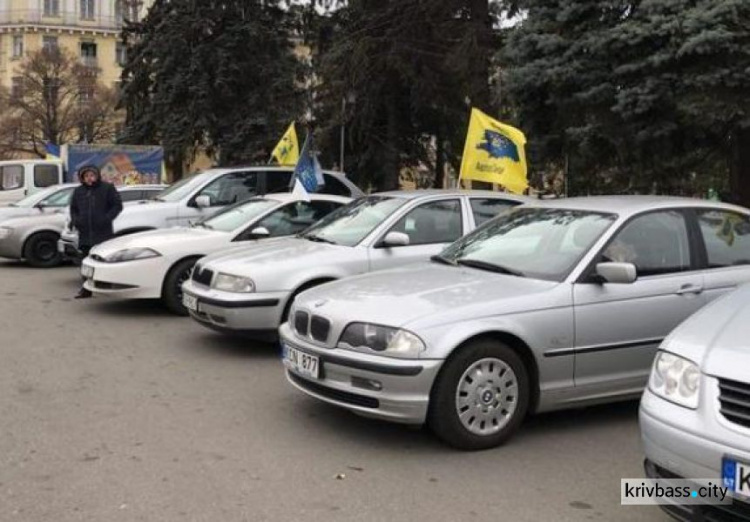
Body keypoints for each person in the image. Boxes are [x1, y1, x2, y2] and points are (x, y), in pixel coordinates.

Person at [69, 165, 123, 299]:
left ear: (97, 176)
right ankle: (86, 289)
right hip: (85, 233)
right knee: (86, 262)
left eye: (92, 175)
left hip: (102, 232)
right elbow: (73, 209)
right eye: (86, 176)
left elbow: (117, 205)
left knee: (103, 260)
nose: (89, 178)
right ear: (82, 178)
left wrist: (106, 218)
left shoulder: (107, 188)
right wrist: (76, 220)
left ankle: (107, 286)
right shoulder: (79, 191)